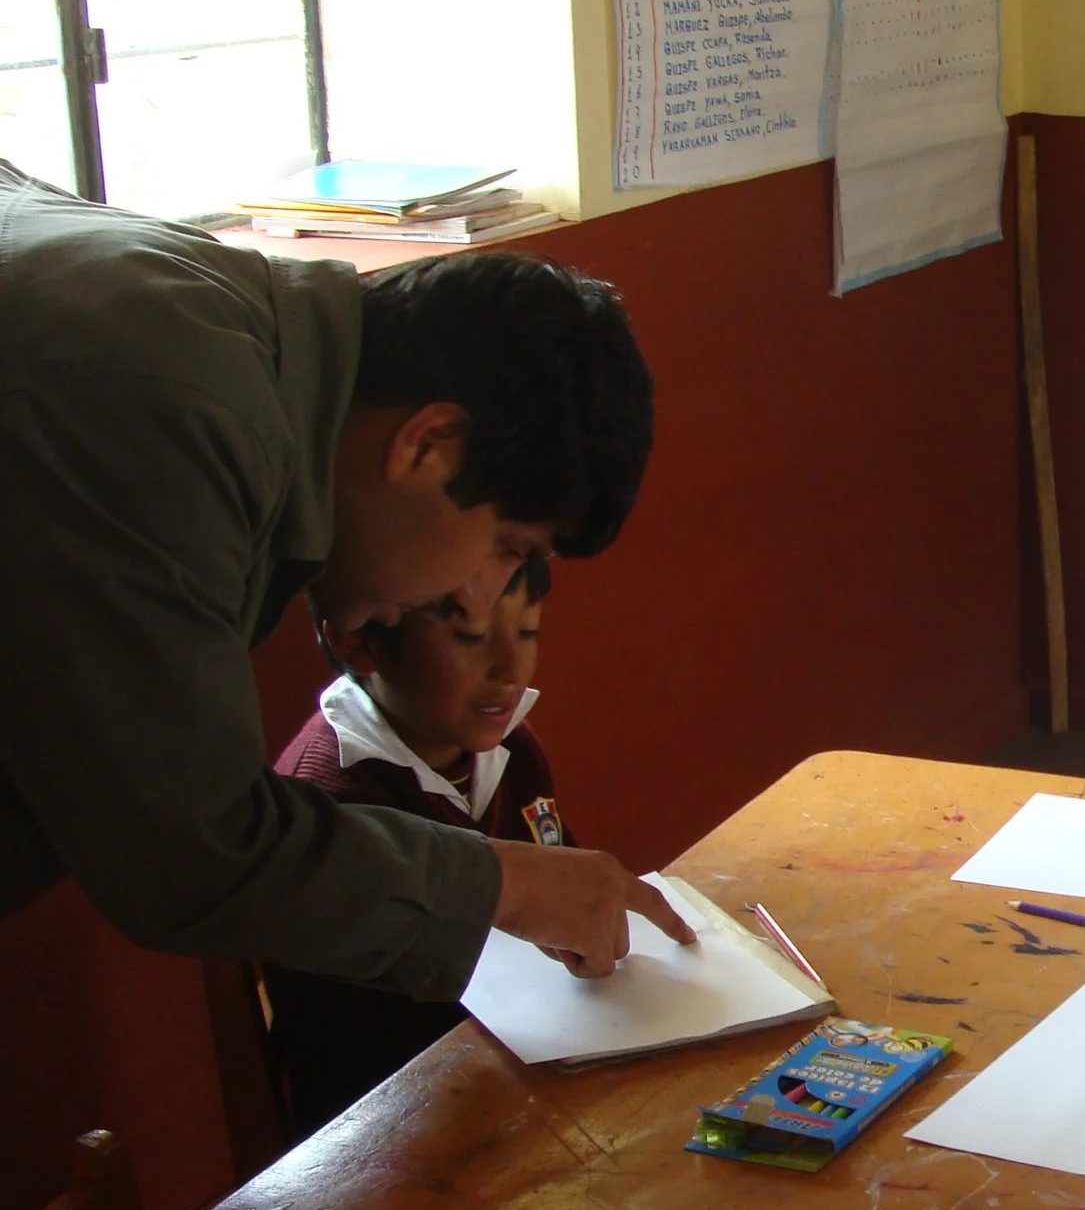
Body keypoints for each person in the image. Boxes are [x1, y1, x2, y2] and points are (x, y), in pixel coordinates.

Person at [0, 162, 688, 998]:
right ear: (428, 444)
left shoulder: (208, 320)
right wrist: (503, 884)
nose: (478, 596)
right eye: (505, 547)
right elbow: (194, 857)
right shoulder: (163, 407)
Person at [261, 557, 570, 1131]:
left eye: (528, 631)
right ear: (359, 641)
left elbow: (560, 892)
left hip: (527, 1079)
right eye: (472, 638)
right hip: (389, 1130)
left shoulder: (511, 751)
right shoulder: (325, 808)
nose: (509, 669)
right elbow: (358, 1050)